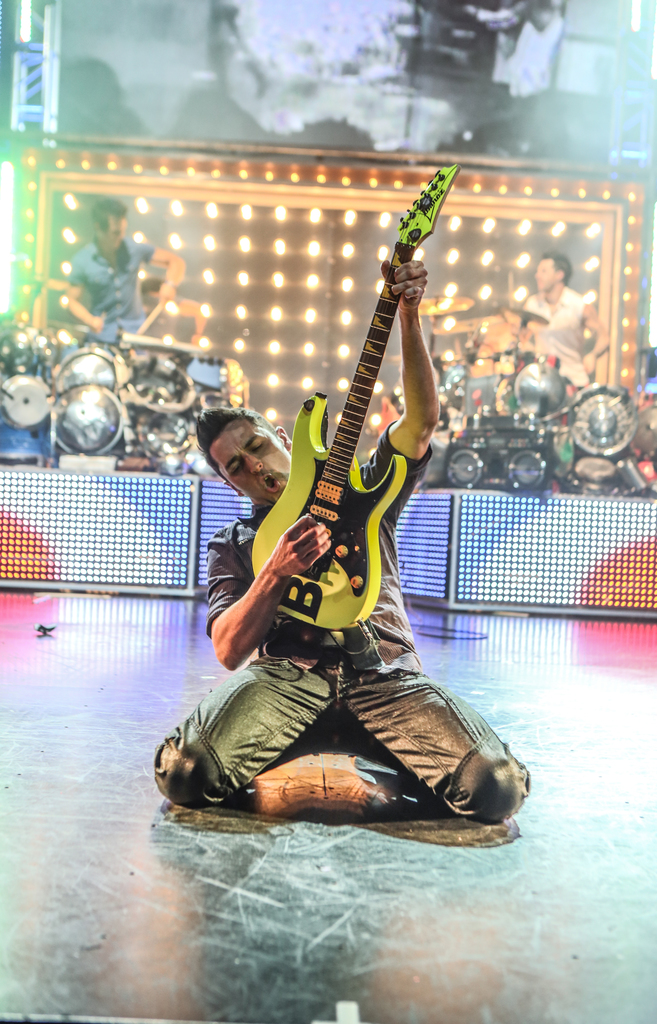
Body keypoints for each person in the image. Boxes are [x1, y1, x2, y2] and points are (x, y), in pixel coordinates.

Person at [154, 258, 530, 823]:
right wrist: (274, 574)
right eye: (235, 467)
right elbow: (228, 649)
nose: (255, 467)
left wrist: (409, 315)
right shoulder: (234, 540)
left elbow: (421, 422)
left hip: (385, 674)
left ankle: (332, 751)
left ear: (284, 438)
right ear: (229, 483)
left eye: (256, 446)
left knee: (495, 787)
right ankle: (356, 753)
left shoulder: (364, 494)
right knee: (184, 772)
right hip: (287, 680)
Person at [65, 197, 186, 345]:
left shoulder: (132, 249)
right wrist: (89, 320)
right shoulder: (82, 260)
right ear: (98, 228)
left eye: (123, 231)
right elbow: (72, 302)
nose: (121, 237)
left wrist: (170, 284)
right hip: (101, 339)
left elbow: (176, 261)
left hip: (135, 336)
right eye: (115, 233)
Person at [522, 251, 610, 388]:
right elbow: (521, 335)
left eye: (543, 271)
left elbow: (604, 337)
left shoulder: (578, 305)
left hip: (573, 381)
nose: (537, 275)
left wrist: (593, 355)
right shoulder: (532, 304)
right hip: (543, 383)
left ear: (559, 275)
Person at [139, 276, 207, 346]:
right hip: (141, 346)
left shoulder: (171, 303)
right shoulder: (141, 304)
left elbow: (198, 311)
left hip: (165, 348)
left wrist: (198, 334)